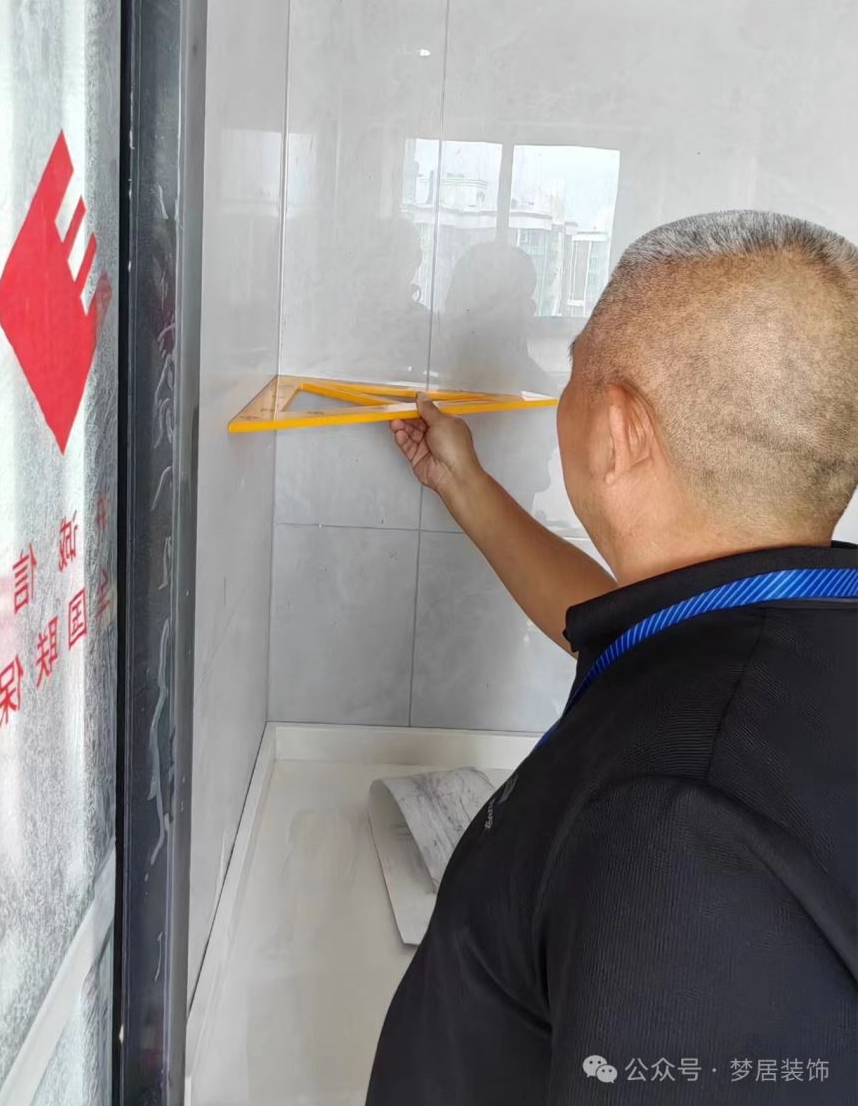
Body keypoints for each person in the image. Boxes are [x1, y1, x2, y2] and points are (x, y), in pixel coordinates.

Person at [366, 211, 858, 1104]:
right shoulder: (790, 621)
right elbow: (614, 630)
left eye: (574, 375)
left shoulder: (675, 832)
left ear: (619, 430)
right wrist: (464, 485)